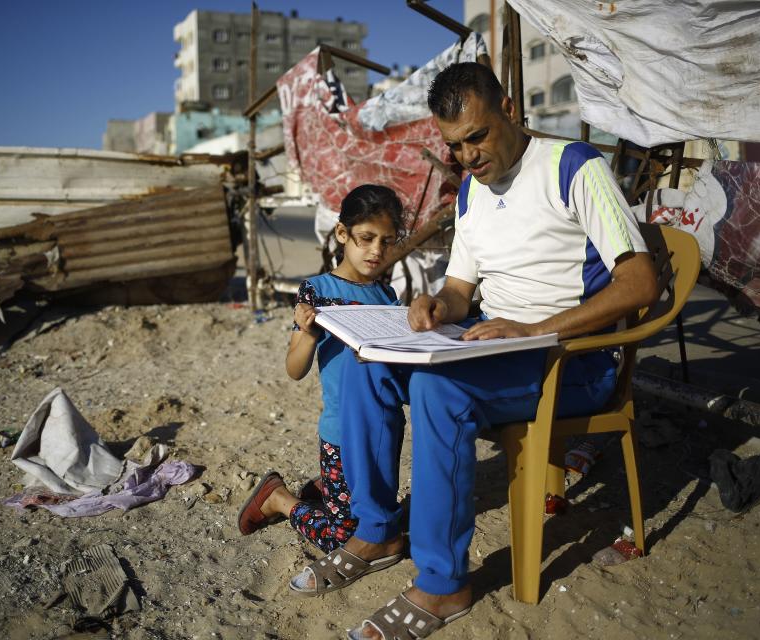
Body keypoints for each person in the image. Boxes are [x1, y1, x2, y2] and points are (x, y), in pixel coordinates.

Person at [293, 62, 659, 639]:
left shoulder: (574, 167)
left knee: (440, 390)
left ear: (509, 110)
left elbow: (640, 284)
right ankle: (379, 528)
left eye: (477, 136)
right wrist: (437, 306)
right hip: (493, 345)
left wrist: (535, 327)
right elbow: (462, 292)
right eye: (455, 145)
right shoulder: (470, 194)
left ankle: (444, 585)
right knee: (365, 366)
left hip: (572, 358)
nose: (467, 156)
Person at [236, 184, 405, 562]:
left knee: (378, 520)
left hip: (385, 429)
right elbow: (294, 369)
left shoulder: (388, 296)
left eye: (386, 241)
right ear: (343, 234)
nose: (376, 250)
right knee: (344, 541)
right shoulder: (317, 292)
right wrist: (310, 335)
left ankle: (325, 489)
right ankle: (279, 498)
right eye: (366, 238)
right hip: (341, 434)